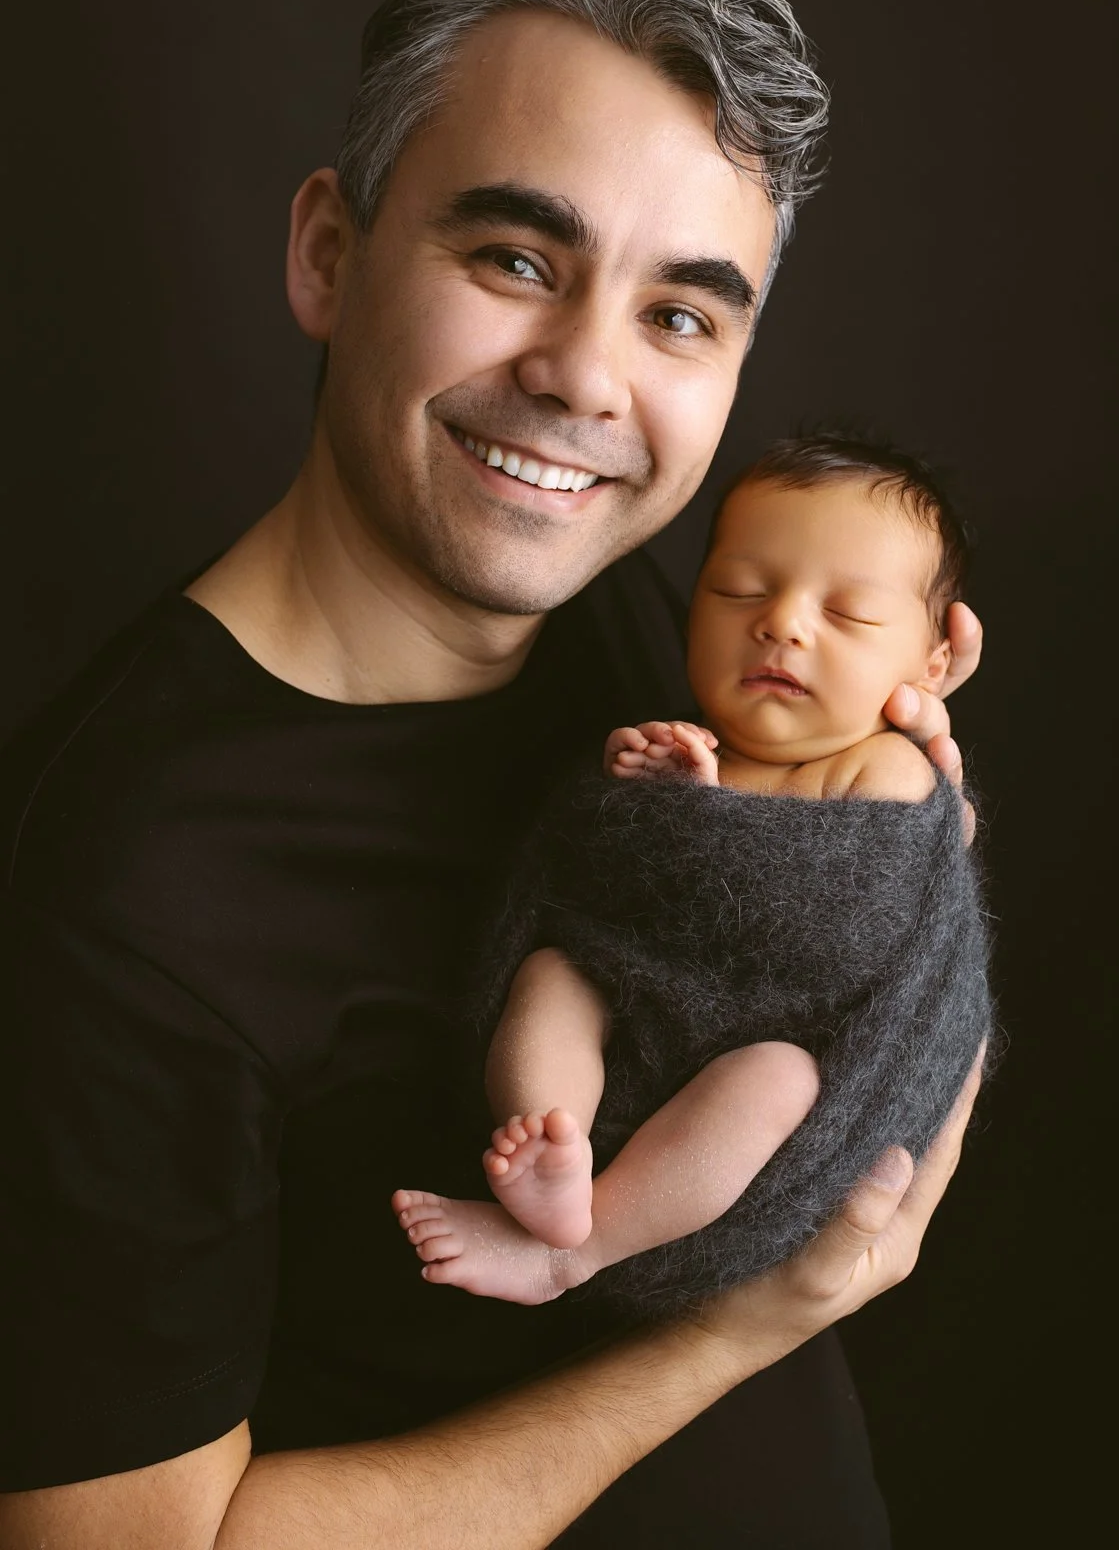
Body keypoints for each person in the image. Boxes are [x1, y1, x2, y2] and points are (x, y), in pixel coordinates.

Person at [0, 0, 985, 1548]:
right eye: (517, 260)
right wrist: (742, 1330)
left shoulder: (642, 620)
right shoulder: (112, 896)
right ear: (331, 254)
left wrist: (898, 805)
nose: (588, 380)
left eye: (679, 314)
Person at [394, 435, 991, 1310]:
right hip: (632, 1017)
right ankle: (553, 1141)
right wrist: (645, 792)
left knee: (778, 1080)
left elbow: (843, 921)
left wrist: (702, 826)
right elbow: (592, 878)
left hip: (753, 1079)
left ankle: (578, 1250)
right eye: (739, 591)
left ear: (932, 664)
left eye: (850, 614)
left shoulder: (884, 766)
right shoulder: (682, 736)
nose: (781, 624)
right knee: (553, 974)